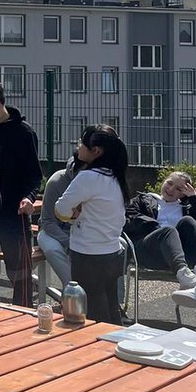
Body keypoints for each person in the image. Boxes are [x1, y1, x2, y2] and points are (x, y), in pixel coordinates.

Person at [0, 75, 42, 306]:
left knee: (20, 273)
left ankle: (23, 317)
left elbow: (34, 174)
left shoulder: (24, 132)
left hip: (15, 214)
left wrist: (28, 197)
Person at [54, 125, 129, 324]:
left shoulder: (87, 177)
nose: (78, 147)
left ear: (96, 151)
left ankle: (99, 351)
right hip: (112, 252)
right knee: (111, 309)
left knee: (91, 315)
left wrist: (72, 215)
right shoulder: (115, 177)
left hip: (87, 255)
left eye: (82, 143)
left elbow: (60, 210)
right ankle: (115, 348)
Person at [124, 171, 196, 289]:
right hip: (148, 251)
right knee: (168, 231)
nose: (171, 189)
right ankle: (182, 273)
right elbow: (129, 218)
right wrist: (157, 227)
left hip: (180, 255)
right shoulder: (143, 200)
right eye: (169, 183)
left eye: (179, 189)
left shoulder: (186, 208)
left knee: (188, 221)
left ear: (183, 194)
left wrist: (194, 199)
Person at [37, 156, 79, 291]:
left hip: (80, 229)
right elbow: (47, 221)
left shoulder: (96, 182)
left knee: (120, 244)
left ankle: (115, 302)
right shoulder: (56, 181)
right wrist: (68, 242)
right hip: (51, 230)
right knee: (52, 249)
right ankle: (72, 289)